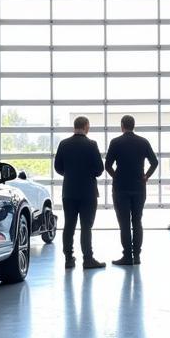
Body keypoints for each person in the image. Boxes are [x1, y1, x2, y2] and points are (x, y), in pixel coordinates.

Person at [104, 115, 158, 266]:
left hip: (121, 188)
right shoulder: (143, 142)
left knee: (124, 223)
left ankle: (127, 256)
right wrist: (146, 176)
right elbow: (155, 162)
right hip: (139, 187)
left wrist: (116, 176)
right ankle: (137, 256)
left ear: (122, 126)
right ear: (133, 125)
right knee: (137, 221)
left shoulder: (115, 142)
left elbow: (107, 165)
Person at [53, 116, 106, 270]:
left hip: (69, 191)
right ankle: (88, 259)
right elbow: (99, 169)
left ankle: (69, 259)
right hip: (88, 192)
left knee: (69, 225)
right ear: (86, 126)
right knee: (86, 227)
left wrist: (70, 174)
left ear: (74, 127)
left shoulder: (64, 144)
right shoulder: (91, 145)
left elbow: (58, 167)